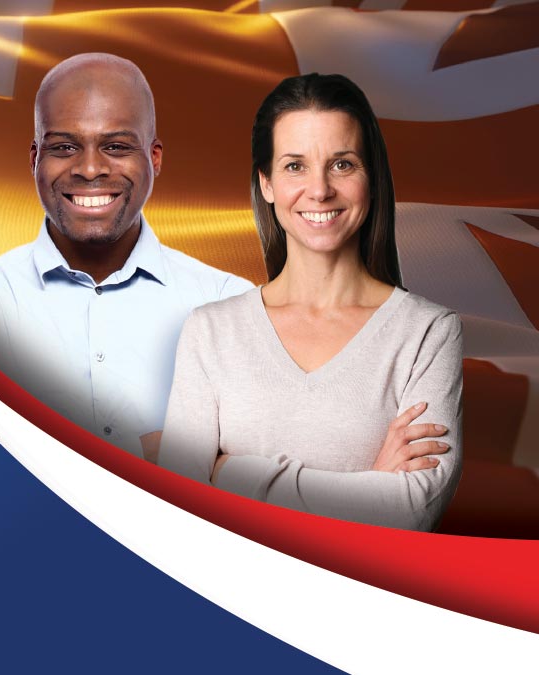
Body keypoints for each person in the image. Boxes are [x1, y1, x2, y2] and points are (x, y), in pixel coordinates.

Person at [158, 74, 463, 531]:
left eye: (342, 164)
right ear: (266, 184)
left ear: (371, 179)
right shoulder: (210, 332)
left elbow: (411, 512)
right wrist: (371, 487)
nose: (319, 190)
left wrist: (231, 474)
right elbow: (175, 513)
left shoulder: (427, 333)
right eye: (295, 166)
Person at [0, 53, 253, 458]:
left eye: (116, 146)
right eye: (64, 146)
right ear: (35, 160)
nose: (89, 168)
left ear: (154, 158)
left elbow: (260, 472)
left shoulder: (230, 304)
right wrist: (170, 453)